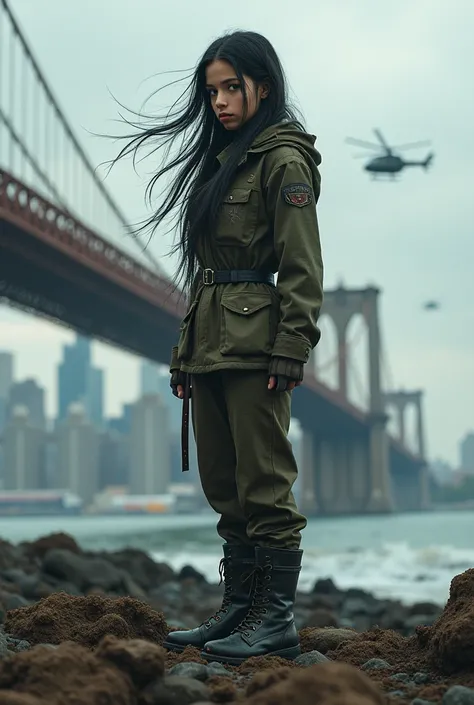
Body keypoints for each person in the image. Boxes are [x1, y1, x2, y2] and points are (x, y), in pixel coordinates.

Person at [112, 30, 323, 665]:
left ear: (265, 85)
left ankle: (275, 619)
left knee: (264, 484)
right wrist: (185, 354)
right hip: (210, 348)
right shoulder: (226, 160)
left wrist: (292, 347)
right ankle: (240, 608)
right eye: (212, 91)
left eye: (233, 87)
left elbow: (303, 268)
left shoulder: (285, 162)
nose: (221, 102)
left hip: (258, 351)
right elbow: (205, 277)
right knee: (223, 484)